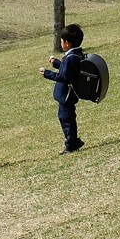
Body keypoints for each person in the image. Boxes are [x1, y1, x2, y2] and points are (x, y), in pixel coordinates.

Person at [39, 23, 85, 154]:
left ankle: (71, 144)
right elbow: (67, 70)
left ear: (67, 43)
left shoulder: (72, 57)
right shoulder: (75, 54)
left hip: (67, 94)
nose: (60, 43)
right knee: (66, 117)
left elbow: (65, 76)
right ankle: (74, 140)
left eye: (62, 40)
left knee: (67, 119)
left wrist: (47, 73)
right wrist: (56, 63)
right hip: (67, 94)